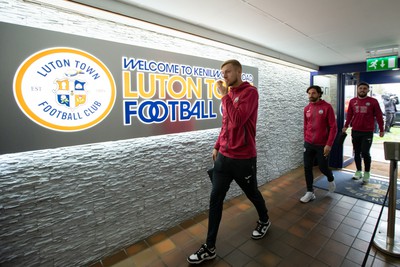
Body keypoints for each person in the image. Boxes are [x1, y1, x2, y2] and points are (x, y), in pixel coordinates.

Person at [187, 60, 270, 264]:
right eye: (222, 72)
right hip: (224, 157)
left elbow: (238, 120)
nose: (223, 76)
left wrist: (224, 96)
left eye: (228, 72)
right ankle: (210, 247)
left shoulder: (250, 93)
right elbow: (226, 125)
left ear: (239, 72)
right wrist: (217, 145)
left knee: (252, 193)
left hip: (244, 158)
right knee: (215, 199)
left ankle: (265, 220)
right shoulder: (229, 95)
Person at [300, 85, 337, 203]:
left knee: (322, 167)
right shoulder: (307, 108)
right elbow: (306, 126)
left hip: (322, 145)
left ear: (319, 94)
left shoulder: (327, 107)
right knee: (307, 167)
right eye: (309, 93)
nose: (311, 95)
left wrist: (329, 144)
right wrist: (305, 139)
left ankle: (330, 178)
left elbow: (333, 127)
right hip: (309, 143)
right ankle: (310, 192)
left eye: (313, 93)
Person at [342, 82, 384, 184]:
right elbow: (349, 115)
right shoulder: (352, 101)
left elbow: (379, 115)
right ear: (357, 89)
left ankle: (367, 173)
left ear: (368, 90)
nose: (362, 90)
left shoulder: (373, 101)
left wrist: (382, 129)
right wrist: (346, 126)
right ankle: (358, 171)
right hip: (355, 130)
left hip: (367, 131)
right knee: (356, 152)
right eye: (360, 88)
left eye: (365, 88)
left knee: (365, 152)